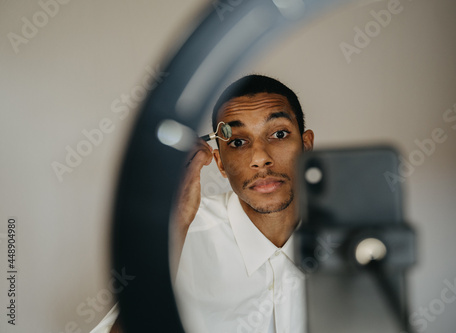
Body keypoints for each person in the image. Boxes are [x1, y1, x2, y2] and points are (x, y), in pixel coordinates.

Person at [91, 74, 314, 333]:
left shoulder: (351, 233)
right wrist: (174, 227)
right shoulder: (181, 233)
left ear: (307, 146)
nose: (260, 158)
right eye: (238, 142)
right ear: (220, 163)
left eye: (278, 134)